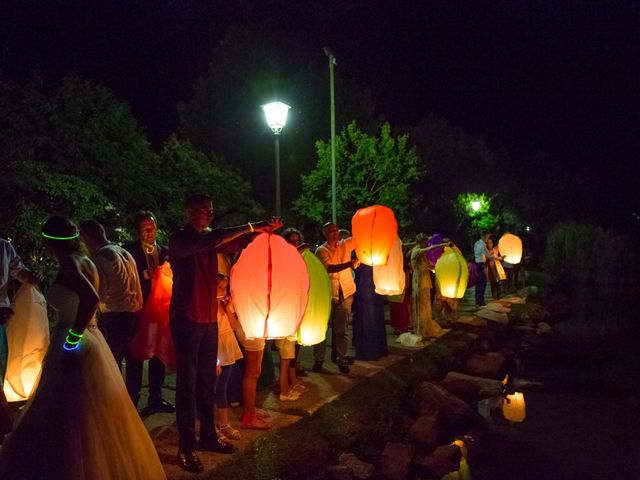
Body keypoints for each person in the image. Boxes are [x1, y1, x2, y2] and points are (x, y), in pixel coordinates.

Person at [0, 216, 166, 479]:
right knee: (92, 408)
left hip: (76, 339)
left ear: (52, 242)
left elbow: (90, 298)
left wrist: (72, 340)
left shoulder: (69, 264)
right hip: (93, 336)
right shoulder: (87, 260)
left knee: (69, 410)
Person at [168, 193, 280, 474]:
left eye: (211, 209)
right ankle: (187, 446)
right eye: (203, 209)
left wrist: (260, 234)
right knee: (188, 383)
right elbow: (215, 238)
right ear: (189, 211)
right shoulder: (182, 239)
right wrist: (252, 226)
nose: (208, 213)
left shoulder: (210, 240)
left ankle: (208, 436)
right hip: (187, 319)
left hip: (208, 319)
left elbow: (233, 242)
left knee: (207, 381)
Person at [123, 211, 174, 413]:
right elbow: (125, 276)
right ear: (138, 231)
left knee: (158, 354)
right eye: (145, 229)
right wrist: (146, 274)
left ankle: (155, 398)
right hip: (139, 309)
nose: (149, 232)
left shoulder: (164, 251)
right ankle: (131, 401)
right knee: (136, 355)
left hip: (160, 311)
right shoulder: (129, 252)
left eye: (152, 227)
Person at [79, 219, 143, 369]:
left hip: (115, 316)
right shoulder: (124, 252)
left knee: (112, 363)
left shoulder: (101, 257)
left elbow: (99, 292)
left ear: (87, 238)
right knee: (133, 362)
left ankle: (116, 392)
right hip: (134, 313)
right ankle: (131, 392)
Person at [0, 238, 39, 436]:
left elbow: (18, 269)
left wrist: (31, 277)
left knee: (1, 363)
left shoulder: (4, 246)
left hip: (1, 314)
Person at [312, 222, 359, 375]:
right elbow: (330, 268)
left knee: (342, 330)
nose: (335, 233)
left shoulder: (344, 245)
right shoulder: (321, 250)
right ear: (325, 233)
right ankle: (319, 359)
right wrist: (349, 264)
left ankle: (342, 358)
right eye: (331, 231)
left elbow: (358, 239)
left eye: (336, 231)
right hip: (327, 295)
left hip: (345, 294)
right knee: (322, 330)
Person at [214, 271, 243, 442]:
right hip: (215, 347)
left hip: (227, 345)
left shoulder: (225, 303)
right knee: (210, 389)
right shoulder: (208, 304)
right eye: (219, 287)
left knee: (222, 387)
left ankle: (224, 424)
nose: (223, 290)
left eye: (225, 287)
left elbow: (233, 326)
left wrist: (228, 308)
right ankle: (210, 425)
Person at [410, 234, 449, 340]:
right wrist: (444, 244)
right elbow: (430, 248)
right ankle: (420, 327)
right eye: (425, 242)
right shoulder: (417, 251)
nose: (427, 243)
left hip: (425, 277)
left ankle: (426, 324)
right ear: (421, 242)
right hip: (419, 279)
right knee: (421, 302)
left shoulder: (421, 252)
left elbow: (429, 265)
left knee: (426, 302)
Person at [352, 262, 387, 361]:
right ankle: (375, 349)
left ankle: (370, 350)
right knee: (371, 319)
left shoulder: (366, 260)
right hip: (371, 289)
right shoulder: (377, 258)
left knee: (368, 320)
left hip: (368, 290)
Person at [473, 231, 493, 307]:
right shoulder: (483, 245)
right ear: (484, 236)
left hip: (477, 264)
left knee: (478, 283)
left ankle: (477, 300)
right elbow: (489, 256)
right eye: (488, 237)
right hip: (481, 265)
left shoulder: (476, 243)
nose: (488, 239)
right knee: (482, 282)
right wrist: (499, 257)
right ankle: (481, 301)